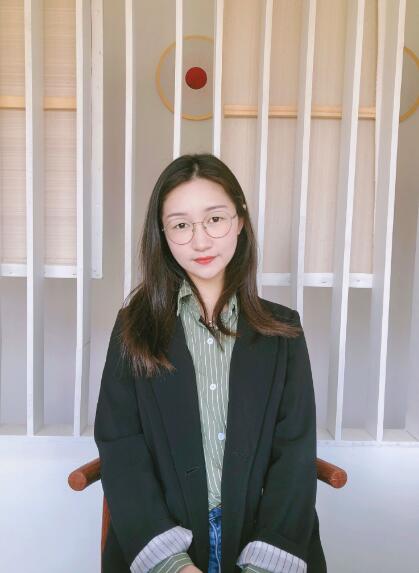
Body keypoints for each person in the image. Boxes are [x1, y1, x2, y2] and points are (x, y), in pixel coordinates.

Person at [94, 154, 327, 573]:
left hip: (262, 536)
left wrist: (263, 565)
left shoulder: (283, 330)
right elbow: (121, 446)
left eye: (215, 219)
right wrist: (174, 565)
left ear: (240, 221)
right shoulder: (133, 327)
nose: (200, 241)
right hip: (165, 536)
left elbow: (295, 452)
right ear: (162, 234)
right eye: (181, 225)